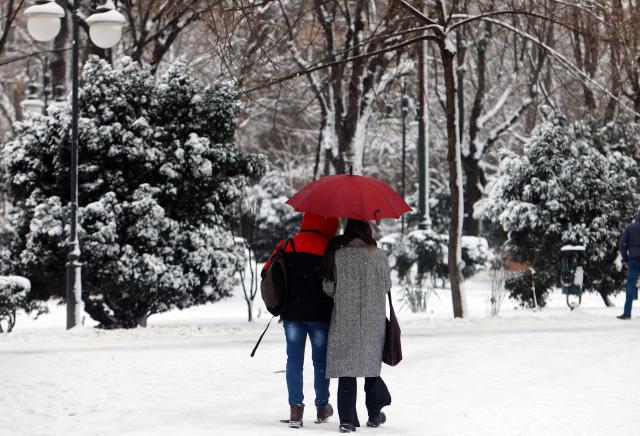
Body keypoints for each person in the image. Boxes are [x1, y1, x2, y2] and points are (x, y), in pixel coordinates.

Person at [264, 213, 339, 428]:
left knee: (294, 361)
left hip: (292, 314)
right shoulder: (330, 249)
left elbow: (266, 271)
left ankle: (295, 410)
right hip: (320, 315)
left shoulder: (287, 245)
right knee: (320, 362)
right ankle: (322, 406)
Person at [321, 219, 392, 433]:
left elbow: (328, 289)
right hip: (373, 321)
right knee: (371, 369)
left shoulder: (337, 255)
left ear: (347, 232)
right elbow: (386, 286)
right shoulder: (379, 256)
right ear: (367, 232)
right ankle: (373, 414)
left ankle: (347, 420)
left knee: (347, 370)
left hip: (345, 320)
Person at [618, 215, 640, 319]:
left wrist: (626, 258)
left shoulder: (630, 227)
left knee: (631, 285)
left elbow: (622, 244)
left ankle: (627, 313)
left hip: (634, 260)